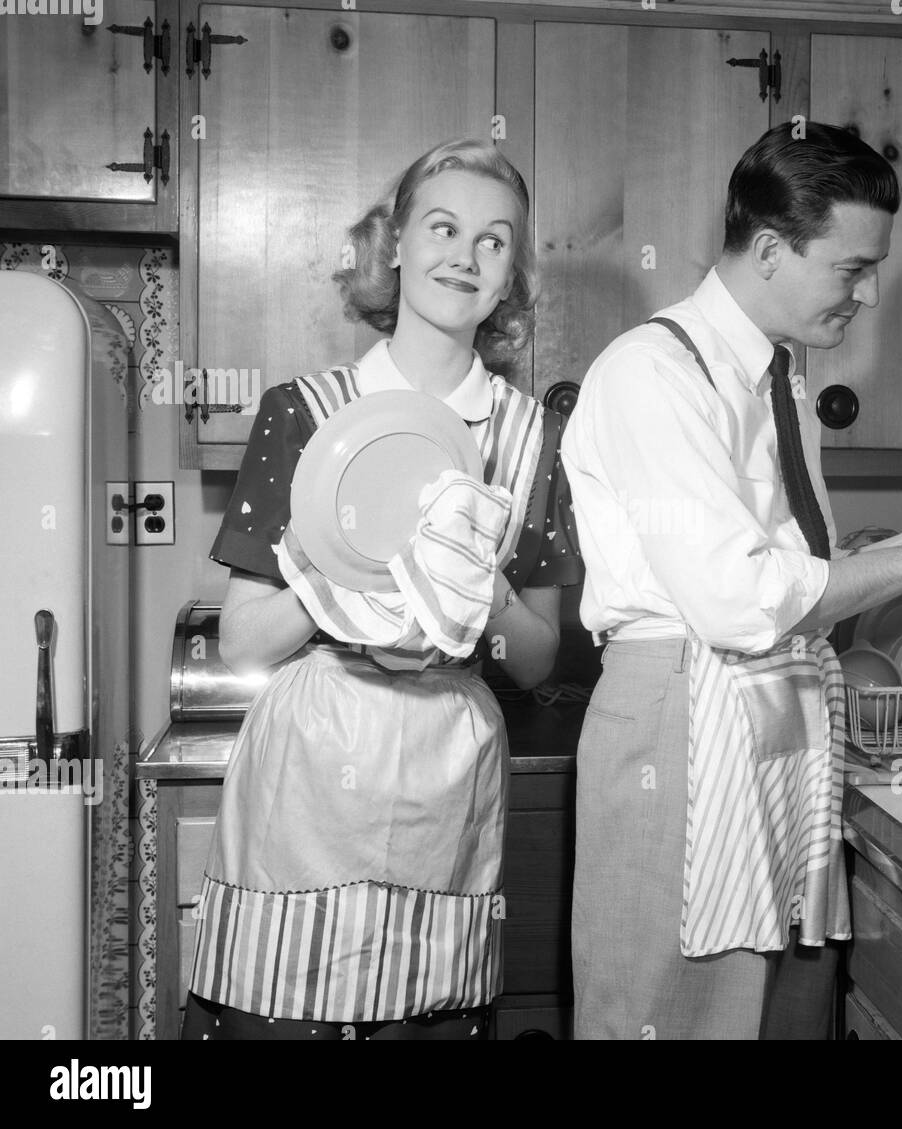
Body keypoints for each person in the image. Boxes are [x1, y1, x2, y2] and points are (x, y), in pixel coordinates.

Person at [561, 121, 902, 1040]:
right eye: (852, 268)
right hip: (681, 717)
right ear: (774, 249)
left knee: (771, 1011)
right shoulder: (651, 375)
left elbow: (801, 575)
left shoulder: (781, 385)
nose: (866, 294)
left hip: (777, 716)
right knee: (666, 1013)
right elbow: (740, 602)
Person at [181, 138, 582, 1040]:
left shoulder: (531, 439)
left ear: (512, 271)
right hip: (312, 761)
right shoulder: (306, 409)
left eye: (493, 240)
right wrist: (325, 587)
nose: (464, 255)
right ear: (395, 242)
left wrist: (486, 598)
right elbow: (244, 642)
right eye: (442, 227)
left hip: (449, 762)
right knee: (282, 1016)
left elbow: (537, 657)